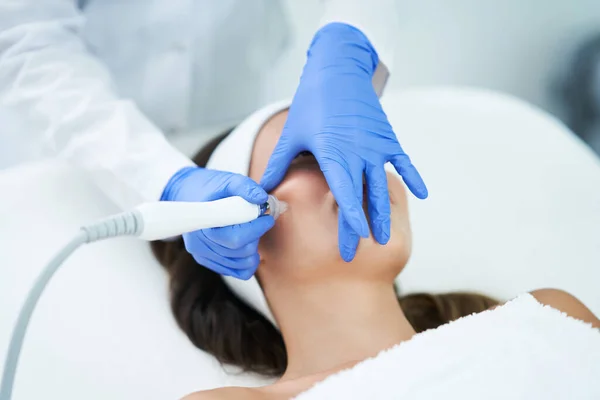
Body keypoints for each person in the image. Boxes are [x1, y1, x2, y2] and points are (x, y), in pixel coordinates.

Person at [151, 107, 600, 399]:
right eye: (307, 158)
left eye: (359, 149)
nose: (355, 168)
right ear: (235, 230)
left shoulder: (544, 318)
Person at [0, 0, 427, 280]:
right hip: (71, 139)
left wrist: (353, 33)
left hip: (230, 94)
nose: (343, 176)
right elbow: (28, 40)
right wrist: (162, 180)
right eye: (300, 163)